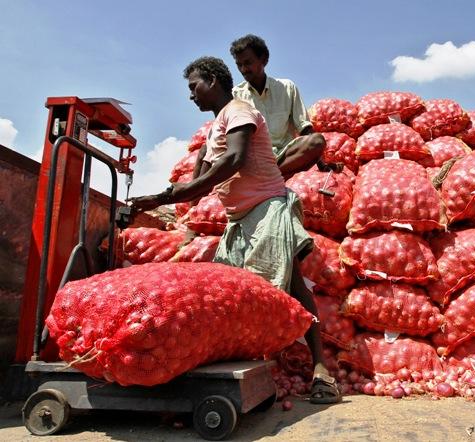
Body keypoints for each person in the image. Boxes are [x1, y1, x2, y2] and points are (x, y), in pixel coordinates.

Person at [129, 56, 341, 404]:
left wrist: (166, 195)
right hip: (239, 220)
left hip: (268, 206)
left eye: (194, 86)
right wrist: (160, 199)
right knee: (233, 292)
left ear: (213, 81)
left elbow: (235, 159)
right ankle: (245, 364)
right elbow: (199, 182)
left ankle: (322, 370)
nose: (191, 95)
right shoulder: (215, 130)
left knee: (291, 284)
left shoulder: (238, 110)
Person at [229, 34, 325, 179]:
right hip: (256, 161)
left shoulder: (287, 88)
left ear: (264, 60)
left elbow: (305, 128)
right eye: (239, 65)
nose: (243, 69)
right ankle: (272, 176)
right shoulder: (236, 96)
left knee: (317, 141)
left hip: (286, 156)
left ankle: (269, 177)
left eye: (248, 63)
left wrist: (322, 163)